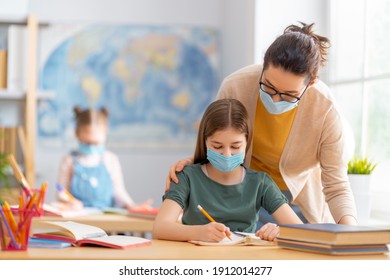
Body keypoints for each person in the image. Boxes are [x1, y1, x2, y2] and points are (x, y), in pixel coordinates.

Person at [166, 22, 358, 226]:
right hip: (243, 196)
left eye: (289, 95)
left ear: (311, 83)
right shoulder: (236, 86)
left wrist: (350, 234)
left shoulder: (325, 109)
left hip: (295, 204)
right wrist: (196, 161)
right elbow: (218, 138)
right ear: (262, 67)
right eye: (268, 87)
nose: (275, 100)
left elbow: (337, 186)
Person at [154, 99, 302, 242]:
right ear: (205, 142)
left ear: (247, 142)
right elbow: (160, 228)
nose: (227, 154)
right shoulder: (187, 177)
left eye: (235, 147)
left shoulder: (260, 183)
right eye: (217, 147)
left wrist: (277, 230)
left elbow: (300, 230)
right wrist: (199, 232)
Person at [57, 106, 152, 211]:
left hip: (105, 219)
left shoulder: (110, 159)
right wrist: (68, 202)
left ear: (105, 134)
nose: (91, 147)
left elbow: (119, 191)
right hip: (77, 218)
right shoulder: (69, 160)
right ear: (77, 134)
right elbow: (61, 192)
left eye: (96, 143)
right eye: (87, 143)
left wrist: (131, 205)